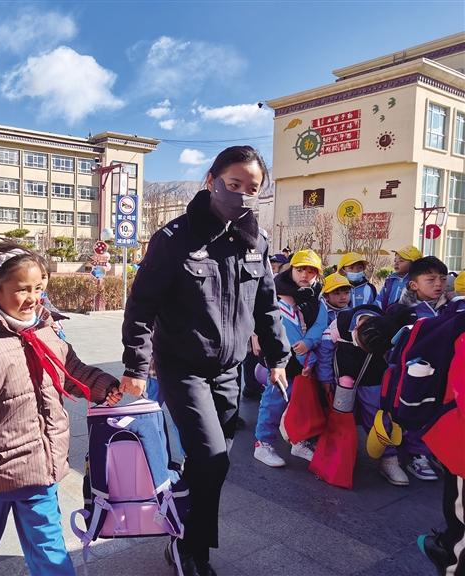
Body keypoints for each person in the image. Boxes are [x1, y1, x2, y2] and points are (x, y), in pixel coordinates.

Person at [120, 146, 290, 576]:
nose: (242, 195)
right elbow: (141, 305)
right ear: (211, 180)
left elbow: (267, 305)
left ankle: (184, 531)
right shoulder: (174, 238)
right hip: (183, 367)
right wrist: (136, 366)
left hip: (229, 371)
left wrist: (277, 357)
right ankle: (189, 548)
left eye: (252, 188)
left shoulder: (256, 242)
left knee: (211, 464)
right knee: (211, 457)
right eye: (234, 184)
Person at [0, 240, 121, 576]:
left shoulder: (45, 328)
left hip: (39, 469)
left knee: (49, 550)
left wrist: (104, 387)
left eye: (39, 288)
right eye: (22, 290)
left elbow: (70, 369)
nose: (33, 298)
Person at [254, 249, 327, 467]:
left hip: (306, 361)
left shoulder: (317, 299)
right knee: (274, 402)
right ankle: (263, 443)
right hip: (280, 360)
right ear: (292, 269)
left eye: (311, 271)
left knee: (303, 404)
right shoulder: (275, 293)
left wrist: (309, 344)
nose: (305, 274)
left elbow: (320, 325)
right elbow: (269, 322)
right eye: (300, 269)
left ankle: (299, 440)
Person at [375, 245, 422, 309]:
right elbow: (379, 301)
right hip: (387, 314)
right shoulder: (390, 281)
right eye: (395, 260)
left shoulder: (416, 283)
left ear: (414, 264)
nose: (396, 263)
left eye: (401, 261)